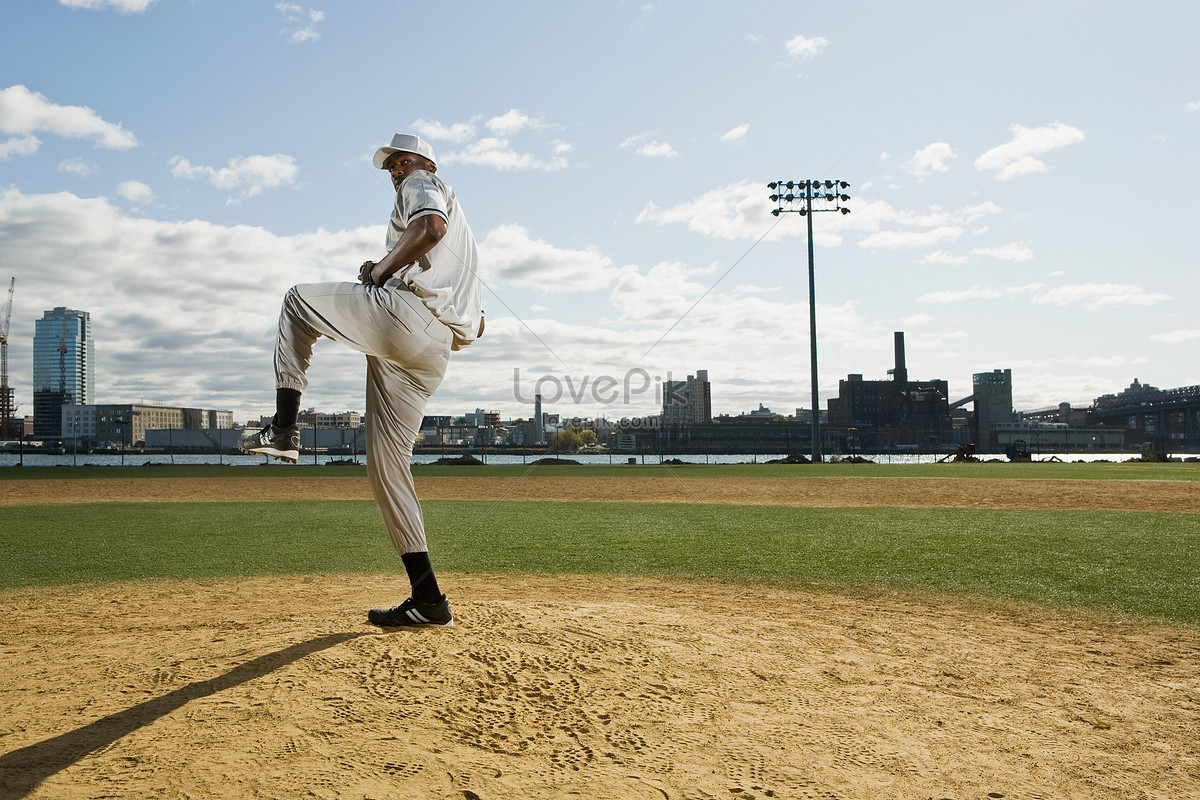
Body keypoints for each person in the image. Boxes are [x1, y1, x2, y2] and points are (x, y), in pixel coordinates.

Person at [238, 133, 483, 628]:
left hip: (408, 321)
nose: (395, 169)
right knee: (387, 469)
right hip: (432, 353)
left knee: (296, 301)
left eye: (401, 159)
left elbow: (430, 227)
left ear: (424, 161)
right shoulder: (468, 246)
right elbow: (478, 324)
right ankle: (429, 599)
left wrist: (380, 270)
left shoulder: (424, 181)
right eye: (391, 164)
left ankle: (284, 429)